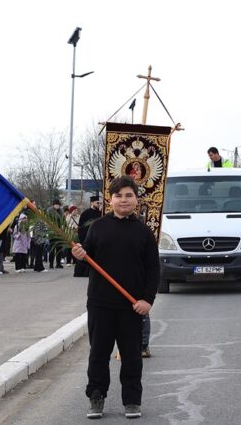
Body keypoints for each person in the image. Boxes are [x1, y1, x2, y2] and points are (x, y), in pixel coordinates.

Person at [71, 176, 159, 420]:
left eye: (129, 195)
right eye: (119, 195)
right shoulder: (98, 227)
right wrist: (79, 254)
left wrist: (147, 300)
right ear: (111, 199)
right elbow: (85, 259)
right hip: (100, 303)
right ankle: (96, 397)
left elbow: (153, 269)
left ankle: (131, 400)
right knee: (98, 353)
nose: (123, 200)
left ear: (136, 200)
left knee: (131, 356)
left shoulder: (144, 232)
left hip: (132, 305)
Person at [75, 196, 102, 278]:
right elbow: (80, 227)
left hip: (97, 238)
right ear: (92, 203)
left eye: (100, 203)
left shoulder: (101, 213)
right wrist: (82, 238)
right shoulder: (85, 213)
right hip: (86, 237)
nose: (99, 204)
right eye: (97, 203)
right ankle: (81, 273)